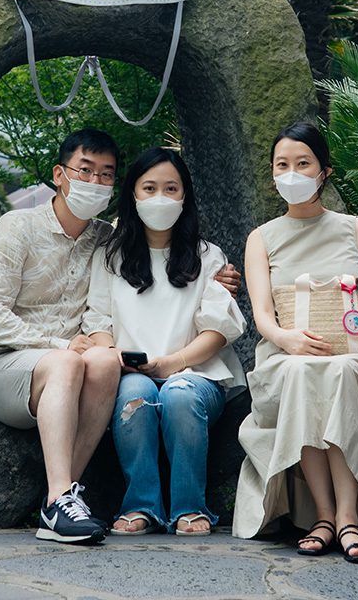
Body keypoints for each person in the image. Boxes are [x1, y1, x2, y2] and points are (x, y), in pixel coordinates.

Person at [232, 122, 358, 564]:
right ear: (272, 173)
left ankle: (347, 518)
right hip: (286, 354)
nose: (292, 172)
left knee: (337, 372)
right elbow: (262, 314)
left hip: (356, 354)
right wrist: (287, 339)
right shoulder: (261, 238)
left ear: (324, 172)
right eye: (283, 164)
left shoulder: (356, 229)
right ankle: (323, 516)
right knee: (303, 374)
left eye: (303, 163)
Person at [0, 128, 125, 544]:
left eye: (106, 175)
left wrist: (215, 273)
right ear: (60, 173)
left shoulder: (107, 239)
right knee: (67, 361)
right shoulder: (17, 226)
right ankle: (60, 499)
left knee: (106, 361)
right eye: (85, 170)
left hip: (73, 365)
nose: (95, 183)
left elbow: (150, 272)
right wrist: (58, 345)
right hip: (8, 367)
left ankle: (61, 500)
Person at [84, 147, 246, 537]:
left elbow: (217, 329)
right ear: (133, 196)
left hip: (198, 374)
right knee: (134, 394)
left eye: (170, 188)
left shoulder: (209, 258)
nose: (160, 198)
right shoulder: (111, 255)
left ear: (184, 195)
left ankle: (190, 507)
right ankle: (142, 505)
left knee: (179, 393)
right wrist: (115, 354)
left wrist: (171, 364)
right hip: (130, 371)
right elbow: (97, 318)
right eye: (150, 188)